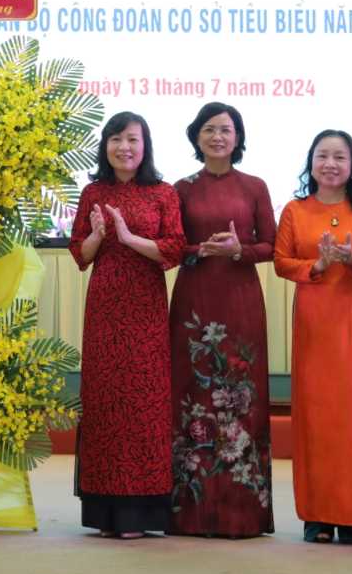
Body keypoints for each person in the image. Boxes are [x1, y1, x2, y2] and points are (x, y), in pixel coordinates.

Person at [69, 111, 186, 538]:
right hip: (104, 306)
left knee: (145, 403)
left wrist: (130, 237)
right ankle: (104, 512)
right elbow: (80, 255)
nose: (124, 147)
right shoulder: (93, 191)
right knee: (104, 400)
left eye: (133, 139)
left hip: (146, 308)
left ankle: (140, 511)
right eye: (116, 139)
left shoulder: (163, 192)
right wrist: (100, 235)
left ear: (145, 145)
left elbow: (174, 249)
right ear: (105, 146)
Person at [273, 129, 352, 545]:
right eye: (322, 156)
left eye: (339, 157)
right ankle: (318, 517)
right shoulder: (294, 210)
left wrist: (351, 258)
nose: (330, 164)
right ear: (311, 163)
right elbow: (281, 263)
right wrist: (318, 265)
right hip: (312, 321)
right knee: (314, 416)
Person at [169, 102, 275, 538]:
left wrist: (237, 250)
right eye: (209, 129)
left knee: (241, 402)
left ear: (238, 138)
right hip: (194, 305)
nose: (218, 137)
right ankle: (188, 513)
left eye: (226, 130)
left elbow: (270, 246)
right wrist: (199, 250)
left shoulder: (254, 186)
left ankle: (240, 515)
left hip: (240, 302)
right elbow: (171, 246)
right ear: (196, 137)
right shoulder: (180, 188)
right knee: (190, 398)